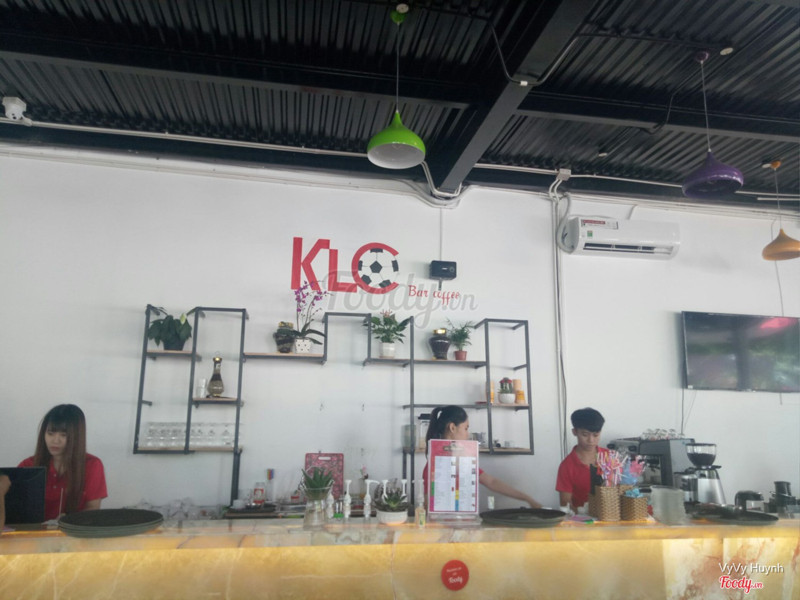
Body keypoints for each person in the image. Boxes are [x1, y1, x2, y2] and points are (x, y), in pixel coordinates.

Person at [423, 405, 542, 508]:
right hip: (443, 525)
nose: (467, 434)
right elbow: (428, 505)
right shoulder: (433, 466)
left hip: (464, 522)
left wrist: (526, 498)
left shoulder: (465, 462)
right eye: (466, 428)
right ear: (452, 428)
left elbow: (491, 482)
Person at [18, 404, 107, 521]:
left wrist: (70, 519)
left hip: (72, 530)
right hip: (33, 531)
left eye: (63, 435)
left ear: (77, 437)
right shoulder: (28, 465)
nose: (55, 441)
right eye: (50, 433)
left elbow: (93, 508)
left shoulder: (92, 465)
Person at [556, 407, 607, 511]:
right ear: (574, 432)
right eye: (585, 435)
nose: (591, 440)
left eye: (596, 435)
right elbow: (565, 504)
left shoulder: (610, 458)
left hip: (612, 517)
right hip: (582, 518)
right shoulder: (567, 466)